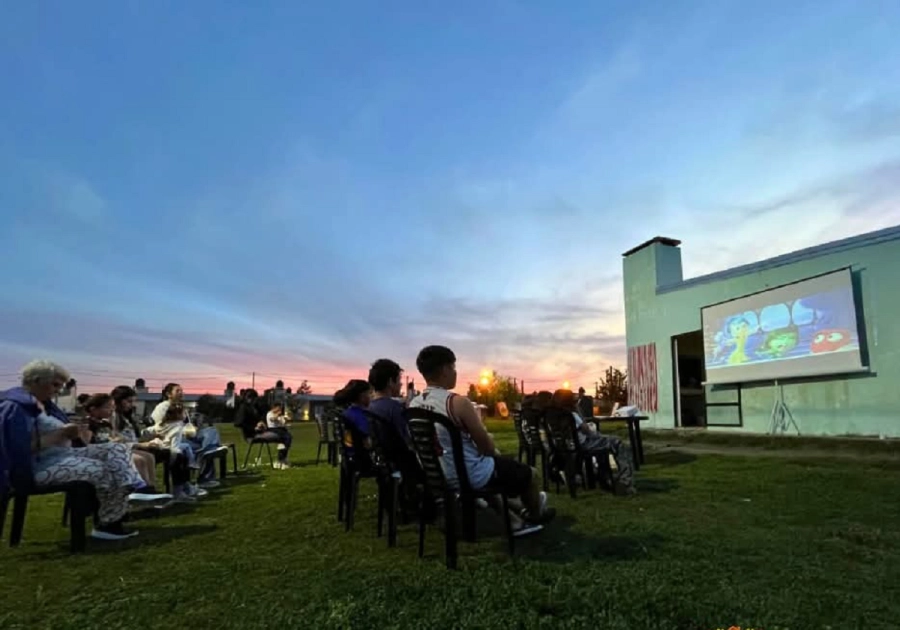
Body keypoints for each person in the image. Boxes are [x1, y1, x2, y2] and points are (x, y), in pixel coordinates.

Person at [0, 360, 157, 540]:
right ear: (36, 381)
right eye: (55, 385)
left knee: (117, 449)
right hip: (35, 466)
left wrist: (75, 433)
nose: (59, 390)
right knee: (103, 469)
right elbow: (13, 450)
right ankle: (109, 523)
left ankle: (137, 488)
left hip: (62, 454)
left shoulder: (46, 405)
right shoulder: (15, 407)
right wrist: (59, 435)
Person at [408, 345, 554, 536]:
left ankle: (515, 520)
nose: (455, 372)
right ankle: (534, 516)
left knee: (489, 466)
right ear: (444, 369)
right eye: (453, 367)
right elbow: (486, 447)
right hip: (468, 475)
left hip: (437, 475)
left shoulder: (414, 405)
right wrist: (492, 448)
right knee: (530, 474)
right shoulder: (457, 403)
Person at [551, 388, 635, 495]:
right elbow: (587, 431)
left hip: (565, 447)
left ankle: (604, 478)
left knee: (602, 444)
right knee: (618, 443)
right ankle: (625, 482)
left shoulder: (551, 416)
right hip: (582, 445)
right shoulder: (571, 415)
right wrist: (578, 412)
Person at [82, 393, 163, 494]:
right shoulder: (88, 423)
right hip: (103, 453)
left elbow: (111, 436)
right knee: (139, 460)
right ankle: (141, 489)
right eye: (107, 407)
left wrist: (116, 439)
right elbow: (85, 443)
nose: (111, 410)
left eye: (112, 407)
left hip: (114, 449)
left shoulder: (105, 423)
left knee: (148, 456)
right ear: (93, 409)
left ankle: (151, 487)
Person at [150, 383, 220, 489]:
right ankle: (205, 475)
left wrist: (191, 428)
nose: (181, 393)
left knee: (211, 431)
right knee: (208, 448)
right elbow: (161, 427)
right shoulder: (162, 407)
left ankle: (205, 452)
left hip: (187, 436)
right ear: (168, 394)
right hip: (173, 439)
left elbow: (185, 424)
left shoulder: (180, 407)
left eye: (182, 391)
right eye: (177, 391)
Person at [334, 379, 374, 473]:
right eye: (370, 393)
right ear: (362, 396)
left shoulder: (346, 413)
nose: (372, 396)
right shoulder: (361, 416)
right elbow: (367, 437)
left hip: (350, 458)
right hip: (364, 460)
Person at [265, 403, 293, 469]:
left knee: (288, 438)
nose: (279, 409)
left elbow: (282, 423)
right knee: (287, 438)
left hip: (281, 429)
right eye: (278, 408)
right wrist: (277, 415)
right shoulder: (269, 414)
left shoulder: (280, 415)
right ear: (274, 408)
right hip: (273, 429)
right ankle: (281, 458)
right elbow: (272, 419)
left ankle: (283, 456)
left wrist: (286, 420)